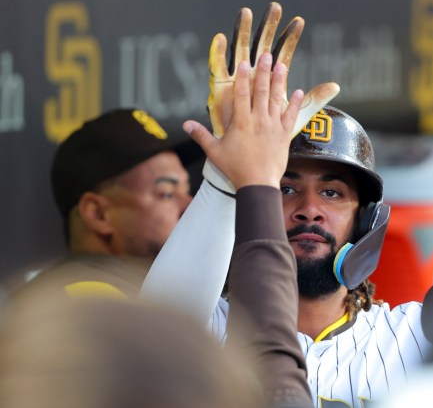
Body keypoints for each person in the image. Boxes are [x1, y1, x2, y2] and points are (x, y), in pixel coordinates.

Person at [0, 31, 312, 408]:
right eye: (166, 192)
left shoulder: (169, 292)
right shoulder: (80, 300)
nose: (188, 202)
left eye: (188, 186)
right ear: (98, 214)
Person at [141, 3, 428, 408]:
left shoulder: (413, 335)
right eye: (283, 188)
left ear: (366, 220)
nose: (309, 209)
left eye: (332, 193)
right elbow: (155, 334)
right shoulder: (211, 328)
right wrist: (229, 179)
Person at [11, 108, 201, 300]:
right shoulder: (83, 303)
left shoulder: (149, 293)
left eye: (186, 190)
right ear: (98, 214)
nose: (190, 206)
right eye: (167, 194)